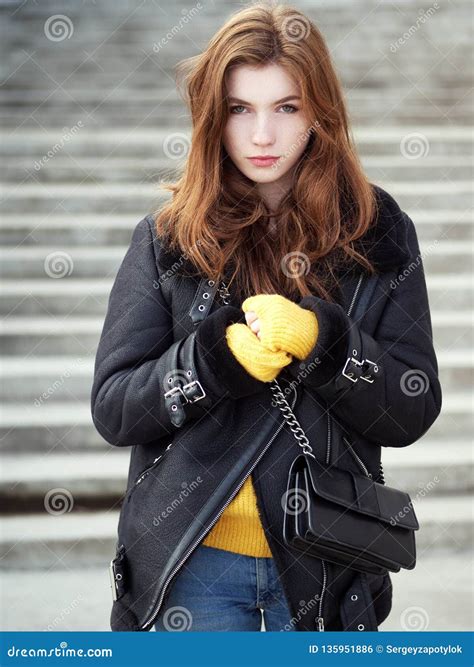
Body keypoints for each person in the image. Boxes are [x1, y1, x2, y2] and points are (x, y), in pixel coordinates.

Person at [91, 3, 442, 632]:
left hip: (327, 564)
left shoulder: (380, 230)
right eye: (239, 109)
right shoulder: (168, 237)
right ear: (212, 116)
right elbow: (115, 406)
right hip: (191, 567)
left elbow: (411, 407)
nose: (261, 136)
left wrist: (326, 344)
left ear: (320, 112)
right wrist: (211, 363)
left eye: (286, 108)